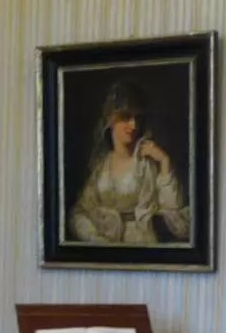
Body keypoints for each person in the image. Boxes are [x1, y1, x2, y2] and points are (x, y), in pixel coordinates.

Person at [67, 81, 190, 245]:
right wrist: (95, 239)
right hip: (105, 245)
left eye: (137, 118)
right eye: (125, 117)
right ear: (110, 121)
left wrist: (164, 161)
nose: (133, 125)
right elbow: (81, 212)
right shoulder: (102, 166)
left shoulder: (146, 163)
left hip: (140, 243)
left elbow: (172, 209)